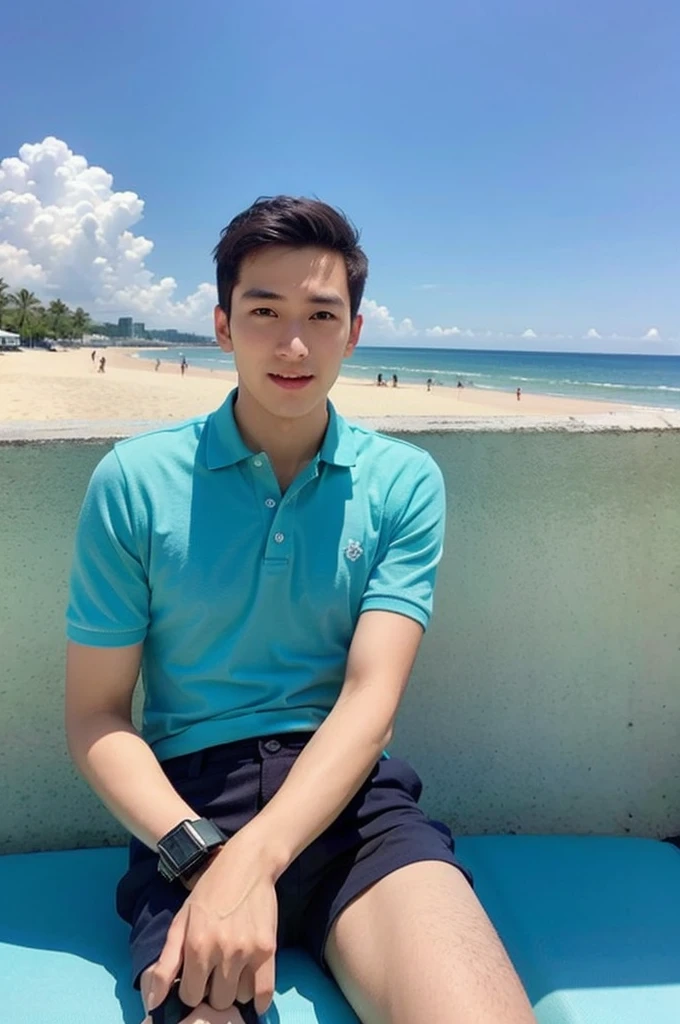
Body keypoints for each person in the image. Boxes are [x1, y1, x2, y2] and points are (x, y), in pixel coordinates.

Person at [64, 196, 535, 1024]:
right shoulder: (134, 481)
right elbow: (97, 716)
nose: (292, 344)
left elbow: (371, 705)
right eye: (264, 312)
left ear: (353, 333)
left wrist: (255, 863)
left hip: (350, 801)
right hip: (189, 811)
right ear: (222, 325)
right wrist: (204, 858)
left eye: (321, 315)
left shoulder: (403, 481)